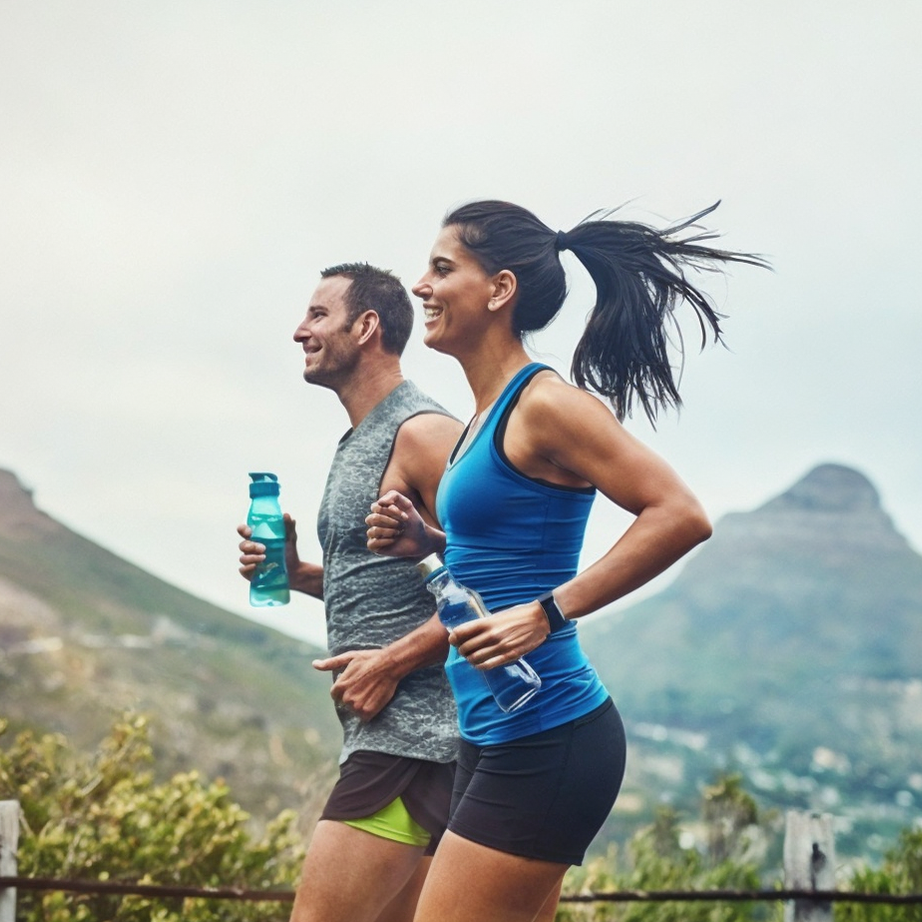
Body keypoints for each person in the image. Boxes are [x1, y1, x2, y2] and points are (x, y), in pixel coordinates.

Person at [365, 200, 767, 922]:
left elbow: (679, 514)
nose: (419, 285)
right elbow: (499, 562)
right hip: (490, 729)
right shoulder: (480, 424)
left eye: (441, 268)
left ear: (500, 289)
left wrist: (549, 613)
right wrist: (429, 549)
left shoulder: (546, 404)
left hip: (547, 733)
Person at [237, 262, 464, 922]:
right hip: (397, 738)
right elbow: (394, 576)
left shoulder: (422, 432)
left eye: (317, 316)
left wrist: (394, 662)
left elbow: (497, 583)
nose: (298, 331)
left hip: (415, 738)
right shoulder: (361, 438)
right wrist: (299, 571)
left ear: (366, 327)